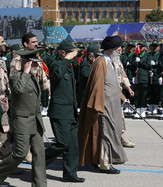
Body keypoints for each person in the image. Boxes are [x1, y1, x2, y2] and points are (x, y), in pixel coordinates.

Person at [78, 35, 128, 174]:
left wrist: (123, 98)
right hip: (104, 107)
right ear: (110, 49)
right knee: (107, 134)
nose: (121, 51)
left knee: (108, 133)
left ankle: (97, 160)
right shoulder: (101, 62)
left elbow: (113, 85)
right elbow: (97, 87)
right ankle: (105, 164)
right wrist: (99, 107)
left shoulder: (110, 62)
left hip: (113, 106)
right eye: (119, 49)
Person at [0, 49, 47, 187]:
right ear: (26, 64)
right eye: (34, 64)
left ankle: (40, 185)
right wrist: (25, 72)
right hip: (22, 121)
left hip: (35, 122)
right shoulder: (17, 77)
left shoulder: (33, 78)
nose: (37, 67)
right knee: (20, 153)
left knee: (39, 154)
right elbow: (18, 91)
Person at [45, 40, 85, 182]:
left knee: (73, 145)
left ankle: (70, 174)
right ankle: (40, 162)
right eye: (71, 54)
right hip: (60, 111)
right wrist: (67, 59)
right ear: (63, 53)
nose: (74, 57)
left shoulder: (68, 66)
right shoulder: (56, 64)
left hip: (71, 111)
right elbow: (55, 75)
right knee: (62, 143)